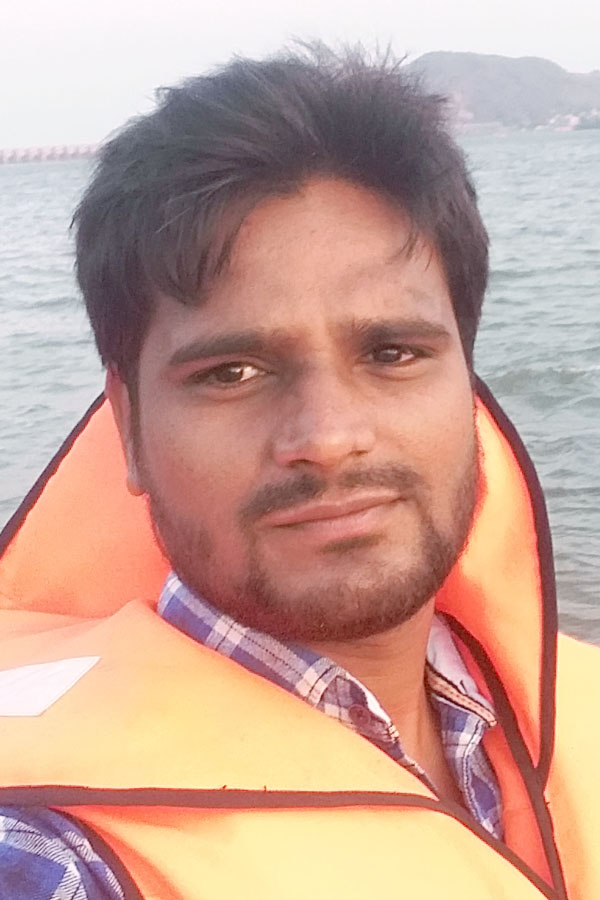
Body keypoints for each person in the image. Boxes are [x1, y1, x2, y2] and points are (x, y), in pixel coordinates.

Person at [0, 44, 597, 900]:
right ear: (127, 426)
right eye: (232, 372)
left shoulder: (571, 701)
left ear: (468, 383)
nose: (328, 437)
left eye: (392, 353)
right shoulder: (52, 849)